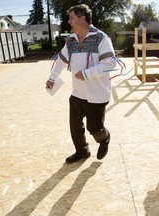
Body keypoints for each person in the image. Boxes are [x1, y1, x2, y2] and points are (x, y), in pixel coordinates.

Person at [46, 4, 117, 163]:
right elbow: (61, 61)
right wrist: (52, 78)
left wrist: (86, 73)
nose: (69, 22)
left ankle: (104, 138)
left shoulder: (101, 37)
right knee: (75, 125)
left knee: (95, 128)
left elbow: (110, 63)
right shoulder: (71, 40)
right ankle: (82, 151)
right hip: (78, 92)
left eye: (71, 18)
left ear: (82, 19)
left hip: (97, 94)